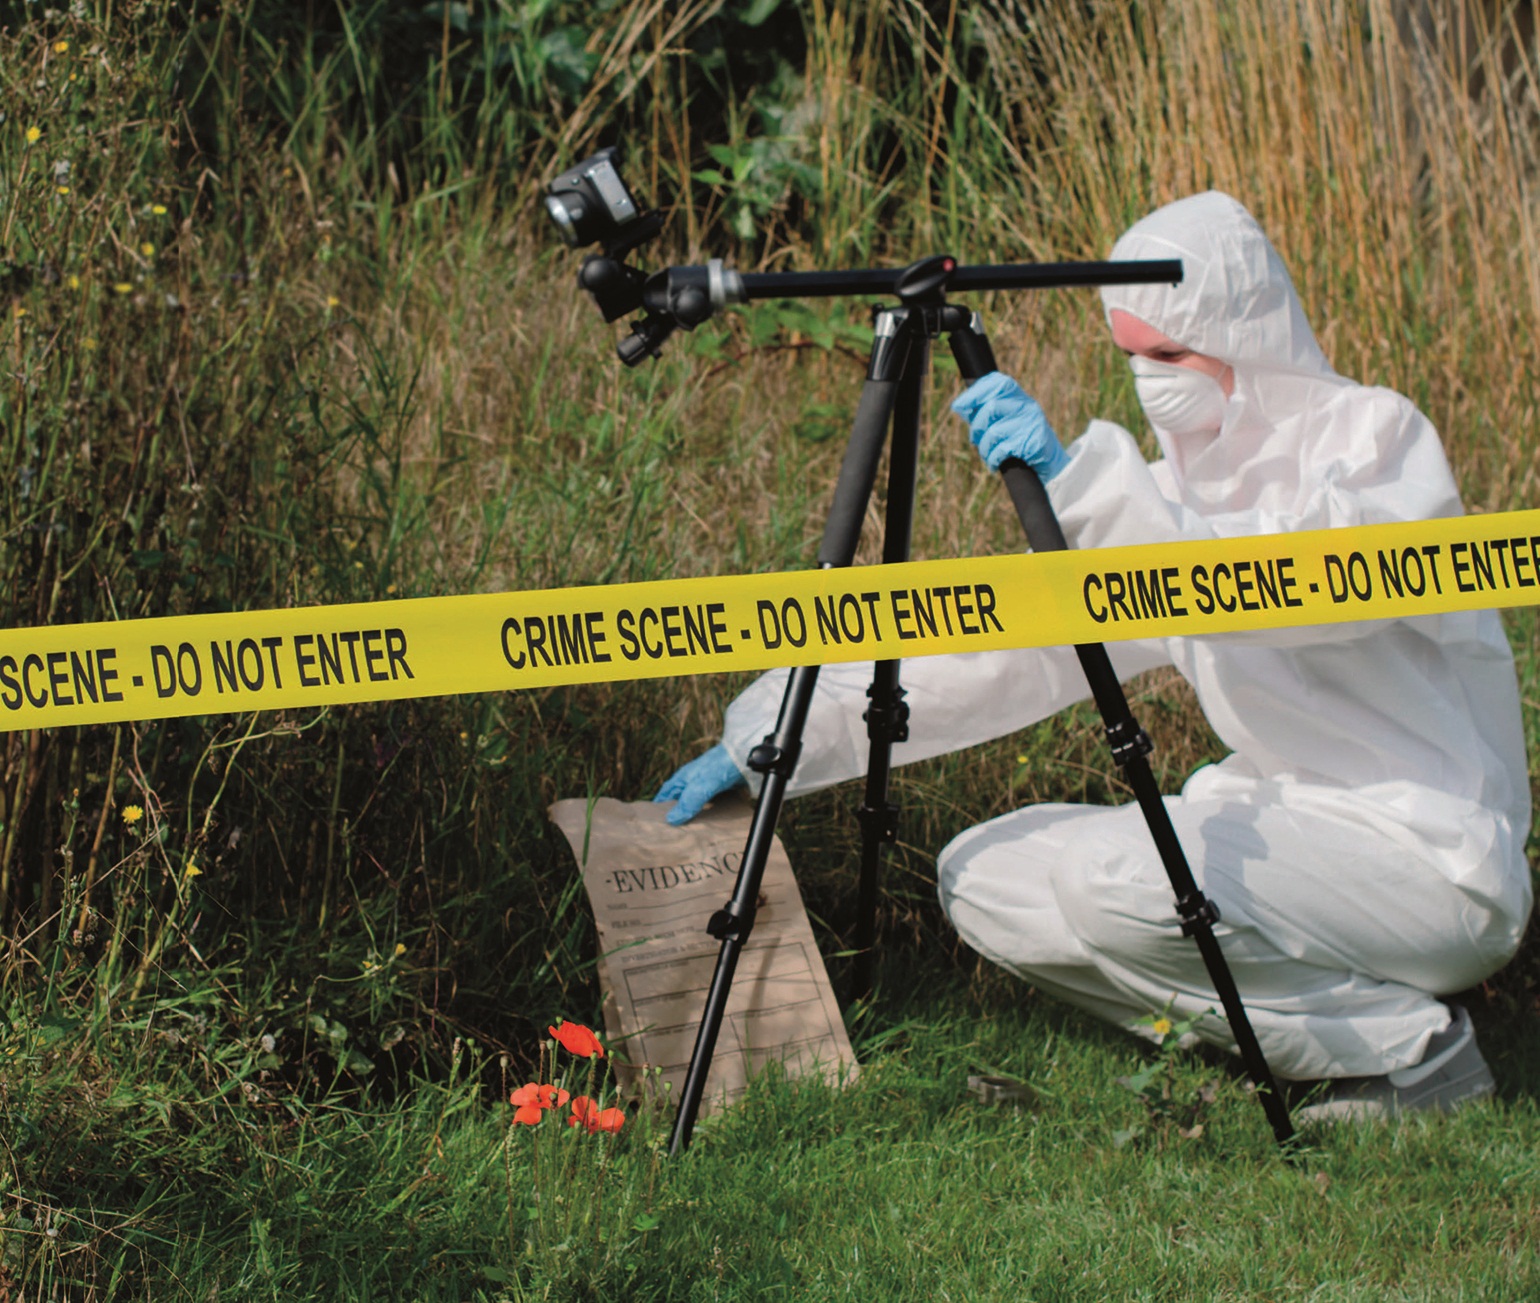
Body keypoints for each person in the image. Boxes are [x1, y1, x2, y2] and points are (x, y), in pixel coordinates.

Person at [655, 192, 1533, 1121]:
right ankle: (1317, 1033)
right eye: (1132, 358)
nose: (1151, 382)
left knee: (1114, 881)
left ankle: (1419, 1058)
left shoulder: (1374, 441)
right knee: (987, 876)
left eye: (1171, 355)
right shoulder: (1158, 504)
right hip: (1290, 830)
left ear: (1246, 336)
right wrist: (771, 737)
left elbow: (1301, 594)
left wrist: (1088, 495)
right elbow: (1008, 655)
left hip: (1433, 855)